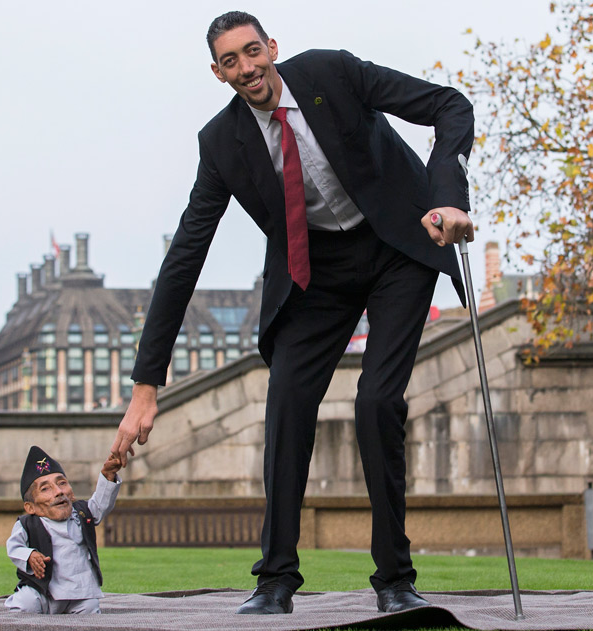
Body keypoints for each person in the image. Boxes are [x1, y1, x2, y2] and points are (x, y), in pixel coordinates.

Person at [111, 10, 474, 616]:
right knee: (285, 404)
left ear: (271, 47)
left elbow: (450, 105)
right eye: (231, 61)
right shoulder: (221, 142)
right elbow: (185, 258)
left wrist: (446, 197)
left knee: (377, 402)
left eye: (253, 52)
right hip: (316, 273)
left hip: (396, 246)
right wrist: (146, 384)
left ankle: (394, 579)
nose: (248, 68)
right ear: (217, 72)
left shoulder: (332, 71)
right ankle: (275, 578)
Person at [5, 446, 122, 614]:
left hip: (79, 592)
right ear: (31, 507)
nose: (59, 492)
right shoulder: (27, 524)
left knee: (90, 609)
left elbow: (101, 503)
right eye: (45, 489)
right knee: (26, 604)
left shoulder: (82, 513)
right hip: (43, 591)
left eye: (62, 483)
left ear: (71, 492)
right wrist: (29, 555)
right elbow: (14, 547)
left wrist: (108, 477)